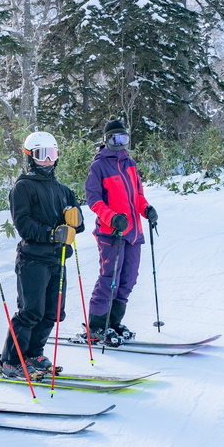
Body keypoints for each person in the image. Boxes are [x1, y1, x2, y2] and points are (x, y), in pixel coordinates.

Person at [0, 131, 85, 378]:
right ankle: (11, 360)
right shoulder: (23, 187)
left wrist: (75, 222)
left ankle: (34, 353)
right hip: (33, 259)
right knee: (30, 312)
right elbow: (23, 224)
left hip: (58, 259)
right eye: (41, 155)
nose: (47, 160)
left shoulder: (63, 189)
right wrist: (51, 233)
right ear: (30, 157)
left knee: (52, 311)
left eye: (52, 154)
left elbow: (78, 224)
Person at [84, 120, 157, 344]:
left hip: (133, 232)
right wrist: (112, 217)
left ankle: (113, 322)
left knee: (128, 279)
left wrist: (146, 209)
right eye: (115, 138)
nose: (119, 143)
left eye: (123, 138)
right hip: (111, 233)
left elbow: (137, 195)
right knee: (110, 279)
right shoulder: (98, 167)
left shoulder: (130, 164)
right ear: (106, 140)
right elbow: (93, 200)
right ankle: (97, 325)